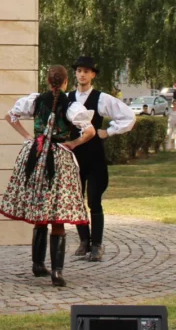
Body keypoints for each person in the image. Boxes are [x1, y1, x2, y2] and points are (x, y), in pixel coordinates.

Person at [0, 65, 96, 287]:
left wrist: (28, 137)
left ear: (47, 81)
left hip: (35, 157)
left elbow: (10, 116)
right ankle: (57, 272)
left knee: (40, 211)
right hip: (58, 160)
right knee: (57, 215)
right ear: (64, 83)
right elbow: (89, 131)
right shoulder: (72, 106)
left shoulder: (34, 101)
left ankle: (37, 264)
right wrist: (73, 142)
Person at [68, 56, 135, 262]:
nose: (82, 74)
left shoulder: (101, 98)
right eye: (79, 71)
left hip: (95, 156)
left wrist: (109, 131)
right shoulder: (68, 98)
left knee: (94, 200)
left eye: (86, 71)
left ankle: (96, 245)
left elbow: (128, 116)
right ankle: (83, 242)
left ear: (93, 75)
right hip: (74, 156)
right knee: (76, 201)